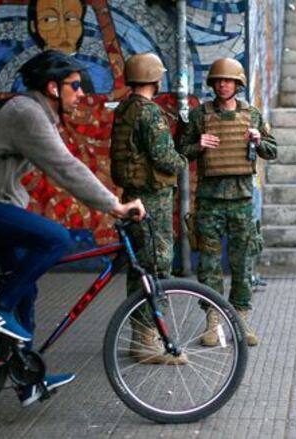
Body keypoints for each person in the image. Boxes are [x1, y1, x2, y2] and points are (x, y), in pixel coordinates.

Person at [0, 50, 145, 406]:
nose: (81, 93)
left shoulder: (37, 113)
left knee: (26, 289)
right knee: (57, 239)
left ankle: (27, 379)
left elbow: (61, 165)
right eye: (75, 86)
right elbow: (65, 168)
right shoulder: (26, 113)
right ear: (53, 87)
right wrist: (115, 205)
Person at [180, 57, 277, 347]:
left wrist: (259, 140)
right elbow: (181, 150)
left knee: (242, 262)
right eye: (219, 80)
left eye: (228, 80)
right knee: (209, 264)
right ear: (212, 84)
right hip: (209, 202)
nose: (223, 85)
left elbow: (272, 151)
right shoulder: (200, 116)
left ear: (238, 84)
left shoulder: (253, 115)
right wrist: (199, 146)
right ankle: (213, 321)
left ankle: (242, 320)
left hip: (242, 201)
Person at [110, 52, 188, 365]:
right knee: (157, 266)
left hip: (132, 194)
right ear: (155, 78)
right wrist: (183, 158)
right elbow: (165, 159)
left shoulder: (125, 109)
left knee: (139, 266)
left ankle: (139, 336)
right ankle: (147, 339)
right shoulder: (150, 114)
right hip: (152, 199)